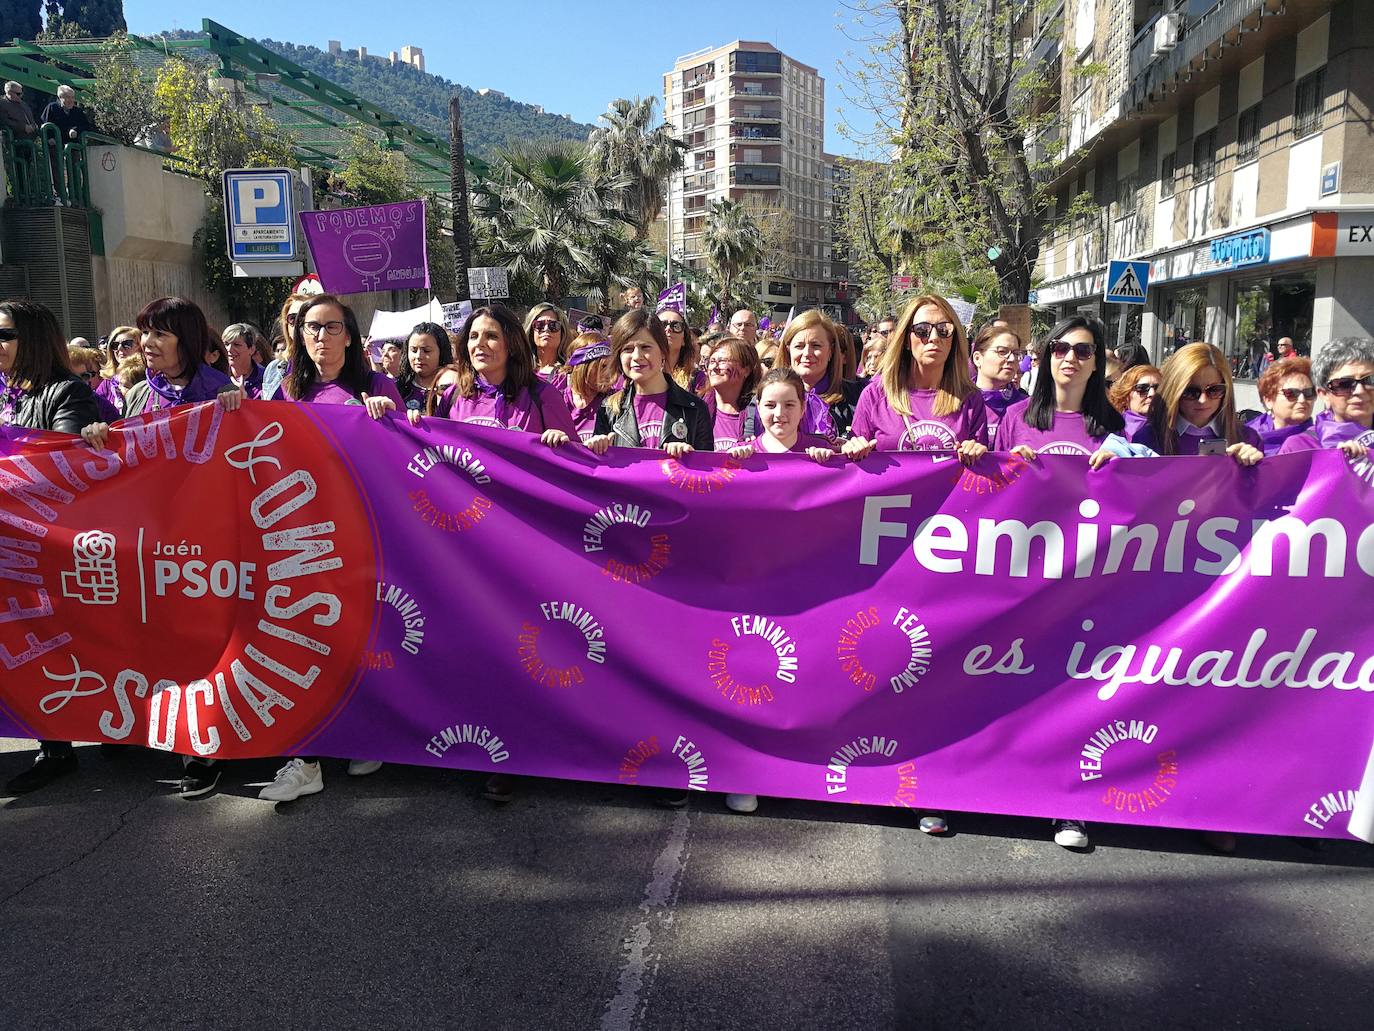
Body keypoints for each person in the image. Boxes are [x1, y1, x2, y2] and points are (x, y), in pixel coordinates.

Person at [0, 300, 101, 795]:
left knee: (40, 643)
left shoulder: (67, 392)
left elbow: (60, 467)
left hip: (40, 546)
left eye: (4, 335)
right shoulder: (6, 392)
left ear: (34, 338)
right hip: (6, 540)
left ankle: (57, 747)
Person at [843, 294, 989, 469]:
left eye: (944, 330)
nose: (934, 337)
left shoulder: (971, 399)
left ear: (954, 340)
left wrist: (976, 451)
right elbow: (854, 468)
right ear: (906, 340)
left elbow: (980, 474)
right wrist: (853, 447)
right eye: (922, 330)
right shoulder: (874, 395)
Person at [423, 304, 577, 446]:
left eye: (491, 336)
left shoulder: (543, 395)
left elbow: (577, 459)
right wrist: (415, 424)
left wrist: (564, 443)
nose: (479, 343)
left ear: (511, 344)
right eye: (473, 336)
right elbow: (432, 451)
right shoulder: (452, 396)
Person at [588, 308, 712, 455]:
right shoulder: (609, 409)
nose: (636, 356)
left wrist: (689, 457)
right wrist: (595, 448)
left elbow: (707, 467)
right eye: (628, 349)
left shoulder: (695, 409)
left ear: (663, 352)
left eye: (645, 347)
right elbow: (600, 467)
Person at [1126, 342, 1262, 464]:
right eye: (1190, 392)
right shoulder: (1147, 438)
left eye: (1214, 390)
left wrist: (1254, 468)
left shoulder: (1248, 439)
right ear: (1174, 390)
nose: (1203, 400)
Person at [1277, 337, 1373, 462]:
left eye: (1369, 380)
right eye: (1344, 384)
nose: (1360, 391)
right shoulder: (1298, 448)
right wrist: (1335, 466)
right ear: (1324, 394)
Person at [775, 308, 862, 439]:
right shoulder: (767, 397)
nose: (807, 353)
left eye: (816, 345)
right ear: (788, 350)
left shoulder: (858, 396)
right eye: (799, 346)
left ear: (831, 351)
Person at [728, 367, 836, 462]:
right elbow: (721, 476)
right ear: (759, 408)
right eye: (770, 405)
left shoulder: (822, 449)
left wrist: (832, 461)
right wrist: (729, 461)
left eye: (789, 405)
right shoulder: (740, 452)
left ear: (802, 408)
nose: (779, 413)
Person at [700, 335, 762, 450]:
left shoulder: (758, 414)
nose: (714, 367)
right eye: (711, 361)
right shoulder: (696, 410)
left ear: (746, 370)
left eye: (722, 361)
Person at [970, 324, 1028, 441]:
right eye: (1002, 352)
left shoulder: (1028, 407)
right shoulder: (959, 403)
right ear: (977, 358)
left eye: (1016, 353)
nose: (1012, 359)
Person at [1247, 357, 1315, 456]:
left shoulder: (1320, 440)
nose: (1302, 400)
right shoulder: (1246, 435)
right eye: (1291, 393)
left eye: (1308, 393)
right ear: (1269, 400)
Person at [561, 333, 618, 443]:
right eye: (603, 366)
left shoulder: (615, 402)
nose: (609, 373)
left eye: (611, 367)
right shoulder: (558, 400)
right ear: (582, 367)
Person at [396, 321, 458, 414]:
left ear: (441, 352)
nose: (418, 356)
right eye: (413, 350)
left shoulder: (455, 388)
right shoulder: (397, 388)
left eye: (426, 350)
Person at [67, 344, 119, 422]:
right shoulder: (49, 401)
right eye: (72, 377)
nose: (80, 382)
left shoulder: (103, 406)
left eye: (85, 376)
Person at [524, 302, 573, 380]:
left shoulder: (571, 373)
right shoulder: (520, 372)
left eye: (553, 325)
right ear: (531, 332)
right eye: (539, 325)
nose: (546, 329)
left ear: (563, 332)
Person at [657, 307, 701, 390]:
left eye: (676, 326)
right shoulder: (639, 372)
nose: (668, 329)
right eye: (662, 325)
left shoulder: (698, 379)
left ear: (684, 340)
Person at [222, 323, 269, 398]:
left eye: (236, 345)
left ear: (251, 349)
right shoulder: (217, 377)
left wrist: (244, 398)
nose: (229, 349)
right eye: (226, 344)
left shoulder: (266, 378)